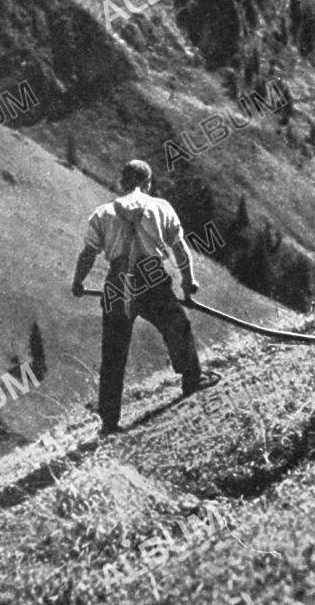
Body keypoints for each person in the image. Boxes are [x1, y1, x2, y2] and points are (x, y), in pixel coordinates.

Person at [72, 160, 219, 434]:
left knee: (113, 352)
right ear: (148, 183)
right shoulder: (161, 207)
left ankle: (109, 421)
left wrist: (78, 282)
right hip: (152, 280)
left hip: (117, 286)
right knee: (177, 325)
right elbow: (180, 250)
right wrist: (188, 283)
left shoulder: (102, 214)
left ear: (122, 182)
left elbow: (88, 254)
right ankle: (191, 379)